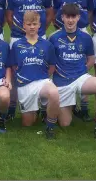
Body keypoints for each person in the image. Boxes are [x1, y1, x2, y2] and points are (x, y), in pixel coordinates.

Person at [49, 4, 96, 140]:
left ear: (78, 18)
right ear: (62, 18)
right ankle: (71, 105)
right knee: (65, 123)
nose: (70, 20)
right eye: (67, 17)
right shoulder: (53, 37)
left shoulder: (86, 37)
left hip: (80, 78)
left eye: (73, 17)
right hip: (62, 82)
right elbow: (49, 62)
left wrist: (82, 71)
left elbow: (91, 59)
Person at [5, 0, 53, 120]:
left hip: (40, 36)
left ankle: (45, 106)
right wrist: (21, 31)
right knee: (15, 71)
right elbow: (9, 15)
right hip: (18, 37)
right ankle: (12, 105)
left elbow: (49, 13)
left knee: (42, 69)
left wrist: (39, 30)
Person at [51, 0, 94, 121]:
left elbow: (89, 12)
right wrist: (59, 26)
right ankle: (65, 99)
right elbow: (54, 11)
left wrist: (83, 25)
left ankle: (84, 106)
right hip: (63, 29)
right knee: (63, 62)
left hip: (81, 30)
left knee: (82, 63)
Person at [8, 10, 60, 139]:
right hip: (25, 84)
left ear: (39, 25)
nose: (32, 27)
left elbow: (52, 66)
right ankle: (40, 109)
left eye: (34, 24)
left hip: (42, 81)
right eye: (29, 24)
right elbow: (14, 66)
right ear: (23, 25)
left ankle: (50, 127)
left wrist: (44, 77)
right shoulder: (16, 45)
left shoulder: (47, 45)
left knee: (53, 93)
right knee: (28, 124)